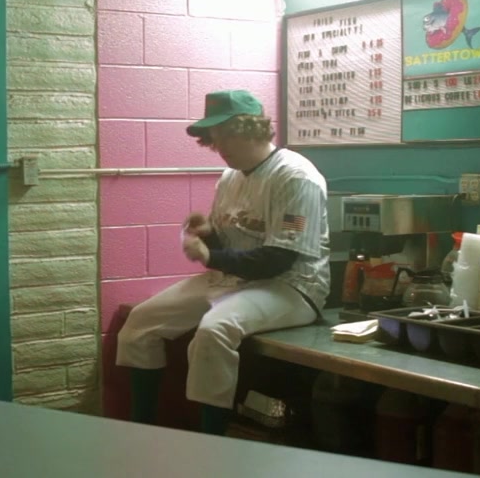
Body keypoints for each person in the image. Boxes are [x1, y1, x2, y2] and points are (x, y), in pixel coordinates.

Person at [115, 89, 330, 435]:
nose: (218, 147)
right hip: (235, 281)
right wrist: (209, 234)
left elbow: (279, 259)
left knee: (213, 331)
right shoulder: (231, 176)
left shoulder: (296, 177)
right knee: (141, 322)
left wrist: (211, 255)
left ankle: (211, 441)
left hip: (291, 286)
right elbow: (231, 247)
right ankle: (141, 430)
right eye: (214, 138)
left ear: (251, 129)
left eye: (226, 135)